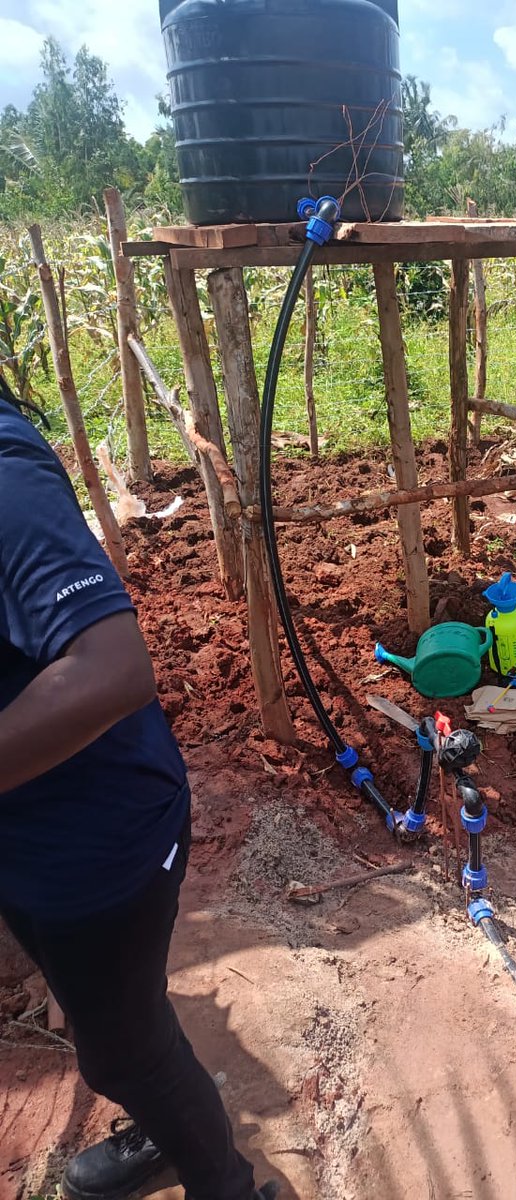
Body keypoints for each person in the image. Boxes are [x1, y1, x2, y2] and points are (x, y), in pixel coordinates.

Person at [0, 375, 275, 1200]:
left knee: (123, 1049)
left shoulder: (3, 480)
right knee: (113, 1013)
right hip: (29, 826)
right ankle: (162, 1119)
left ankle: (225, 1184)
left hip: (96, 839)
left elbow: (113, 668)